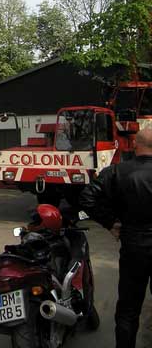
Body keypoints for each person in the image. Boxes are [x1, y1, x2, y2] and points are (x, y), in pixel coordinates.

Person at [80, 125, 152, 348]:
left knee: (128, 309)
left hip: (133, 245)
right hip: (135, 241)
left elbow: (87, 198)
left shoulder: (117, 171)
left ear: (135, 145)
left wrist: (110, 222)